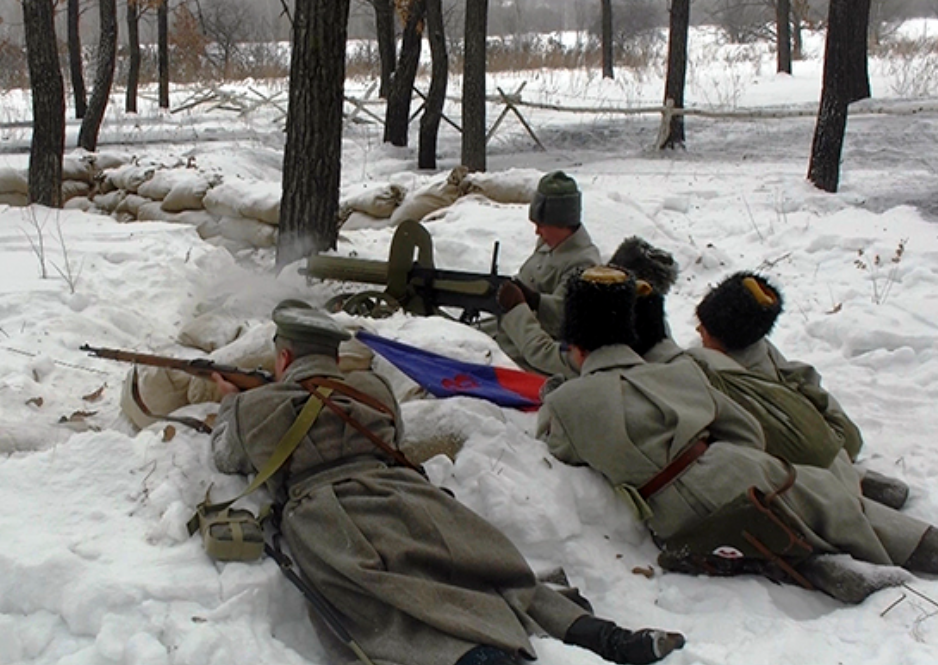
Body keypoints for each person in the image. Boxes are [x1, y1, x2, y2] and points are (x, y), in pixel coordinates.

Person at [209, 299, 685, 665]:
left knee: (392, 599)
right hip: (406, 495)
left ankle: (476, 658)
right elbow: (390, 435)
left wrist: (229, 402)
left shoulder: (256, 407)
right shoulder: (372, 389)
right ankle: (600, 635)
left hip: (329, 516)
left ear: (284, 355)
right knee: (489, 569)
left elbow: (228, 456)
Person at [536, 266, 938, 604]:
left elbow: (557, 446)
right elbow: (745, 430)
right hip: (726, 468)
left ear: (576, 347)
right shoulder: (678, 372)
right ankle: (914, 550)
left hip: (671, 518)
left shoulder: (567, 402)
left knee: (787, 515)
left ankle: (815, 560)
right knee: (832, 501)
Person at [695, 271, 909, 509]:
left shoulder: (724, 377)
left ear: (722, 337)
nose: (697, 331)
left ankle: (850, 486)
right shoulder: (761, 348)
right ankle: (850, 477)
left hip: (805, 469)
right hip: (833, 441)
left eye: (704, 328)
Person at [494, 171, 601, 377]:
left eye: (541, 226)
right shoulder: (548, 244)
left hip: (537, 354)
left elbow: (563, 317)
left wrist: (533, 301)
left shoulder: (583, 263)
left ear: (562, 223)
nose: (537, 232)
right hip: (512, 334)